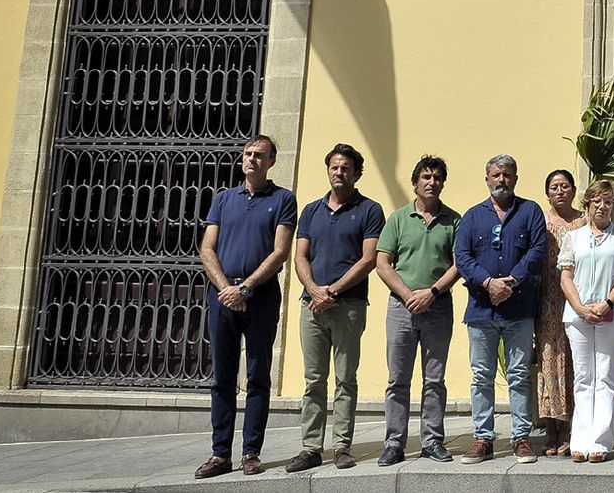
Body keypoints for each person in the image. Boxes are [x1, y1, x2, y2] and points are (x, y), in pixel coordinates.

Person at [194, 135, 297, 480]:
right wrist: (226, 288)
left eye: (260, 155)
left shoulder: (283, 199)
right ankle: (220, 453)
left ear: (271, 162)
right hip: (222, 296)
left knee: (257, 376)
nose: (252, 159)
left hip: (261, 296)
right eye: (248, 154)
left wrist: (246, 287)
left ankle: (251, 452)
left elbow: (280, 251)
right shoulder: (224, 199)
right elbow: (207, 248)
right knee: (222, 377)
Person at [286, 143, 384, 472]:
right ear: (327, 170)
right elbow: (300, 255)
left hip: (349, 306)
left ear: (356, 174)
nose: (338, 172)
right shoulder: (311, 210)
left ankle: (342, 446)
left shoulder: (370, 210)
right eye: (334, 167)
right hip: (311, 306)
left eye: (345, 168)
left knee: (345, 379)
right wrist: (314, 290)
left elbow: (369, 258)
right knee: (314, 379)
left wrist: (334, 290)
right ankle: (311, 447)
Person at [454, 154, 548, 464]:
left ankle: (521, 437)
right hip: (482, 310)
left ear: (516, 179)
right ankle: (483, 438)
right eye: (496, 175)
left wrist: (511, 281)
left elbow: (537, 250)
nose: (501, 180)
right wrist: (489, 284)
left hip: (519, 309)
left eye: (507, 175)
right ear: (487, 179)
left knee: (520, 375)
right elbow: (463, 258)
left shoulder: (530, 211)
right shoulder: (472, 216)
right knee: (481, 376)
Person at [374, 154, 461, 466]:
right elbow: (382, 263)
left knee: (434, 379)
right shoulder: (398, 219)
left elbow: (459, 264)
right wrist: (409, 294)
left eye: (437, 178)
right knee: (398, 378)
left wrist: (432, 292)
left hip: (438, 308)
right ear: (415, 183)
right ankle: (394, 443)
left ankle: (432, 441)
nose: (432, 182)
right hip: (401, 308)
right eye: (426, 177)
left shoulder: (454, 220)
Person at [559, 179, 614, 462]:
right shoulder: (573, 237)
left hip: (611, 315)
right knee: (583, 377)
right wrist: (580, 307)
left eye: (608, 202)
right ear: (588, 205)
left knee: (604, 376)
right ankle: (579, 441)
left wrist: (606, 304)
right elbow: (565, 276)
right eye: (597, 201)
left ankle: (600, 443)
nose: (602, 207)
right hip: (578, 316)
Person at [536, 169, 585, 456]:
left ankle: (569, 427)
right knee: (548, 361)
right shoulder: (539, 220)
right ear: (547, 192)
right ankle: (550, 427)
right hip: (546, 300)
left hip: (577, 298)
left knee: (571, 363)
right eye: (554, 186)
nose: (559, 191)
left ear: (573, 189)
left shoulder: (585, 221)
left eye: (565, 186)